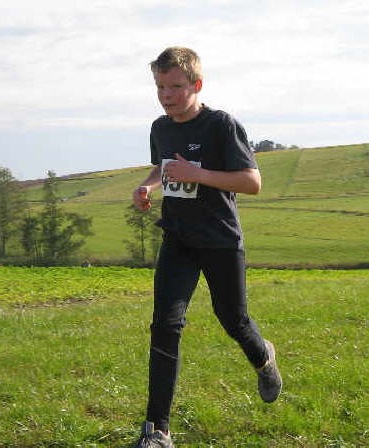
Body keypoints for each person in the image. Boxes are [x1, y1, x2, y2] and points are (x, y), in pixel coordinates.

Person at [132, 47, 282, 448]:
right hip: (178, 239)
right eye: (160, 87)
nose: (166, 95)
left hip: (219, 239)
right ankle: (157, 430)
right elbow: (164, 167)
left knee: (233, 319)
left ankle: (264, 357)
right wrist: (147, 186)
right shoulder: (160, 128)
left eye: (175, 87)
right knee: (165, 325)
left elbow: (251, 182)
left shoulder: (221, 125)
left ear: (196, 85)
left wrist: (199, 174)